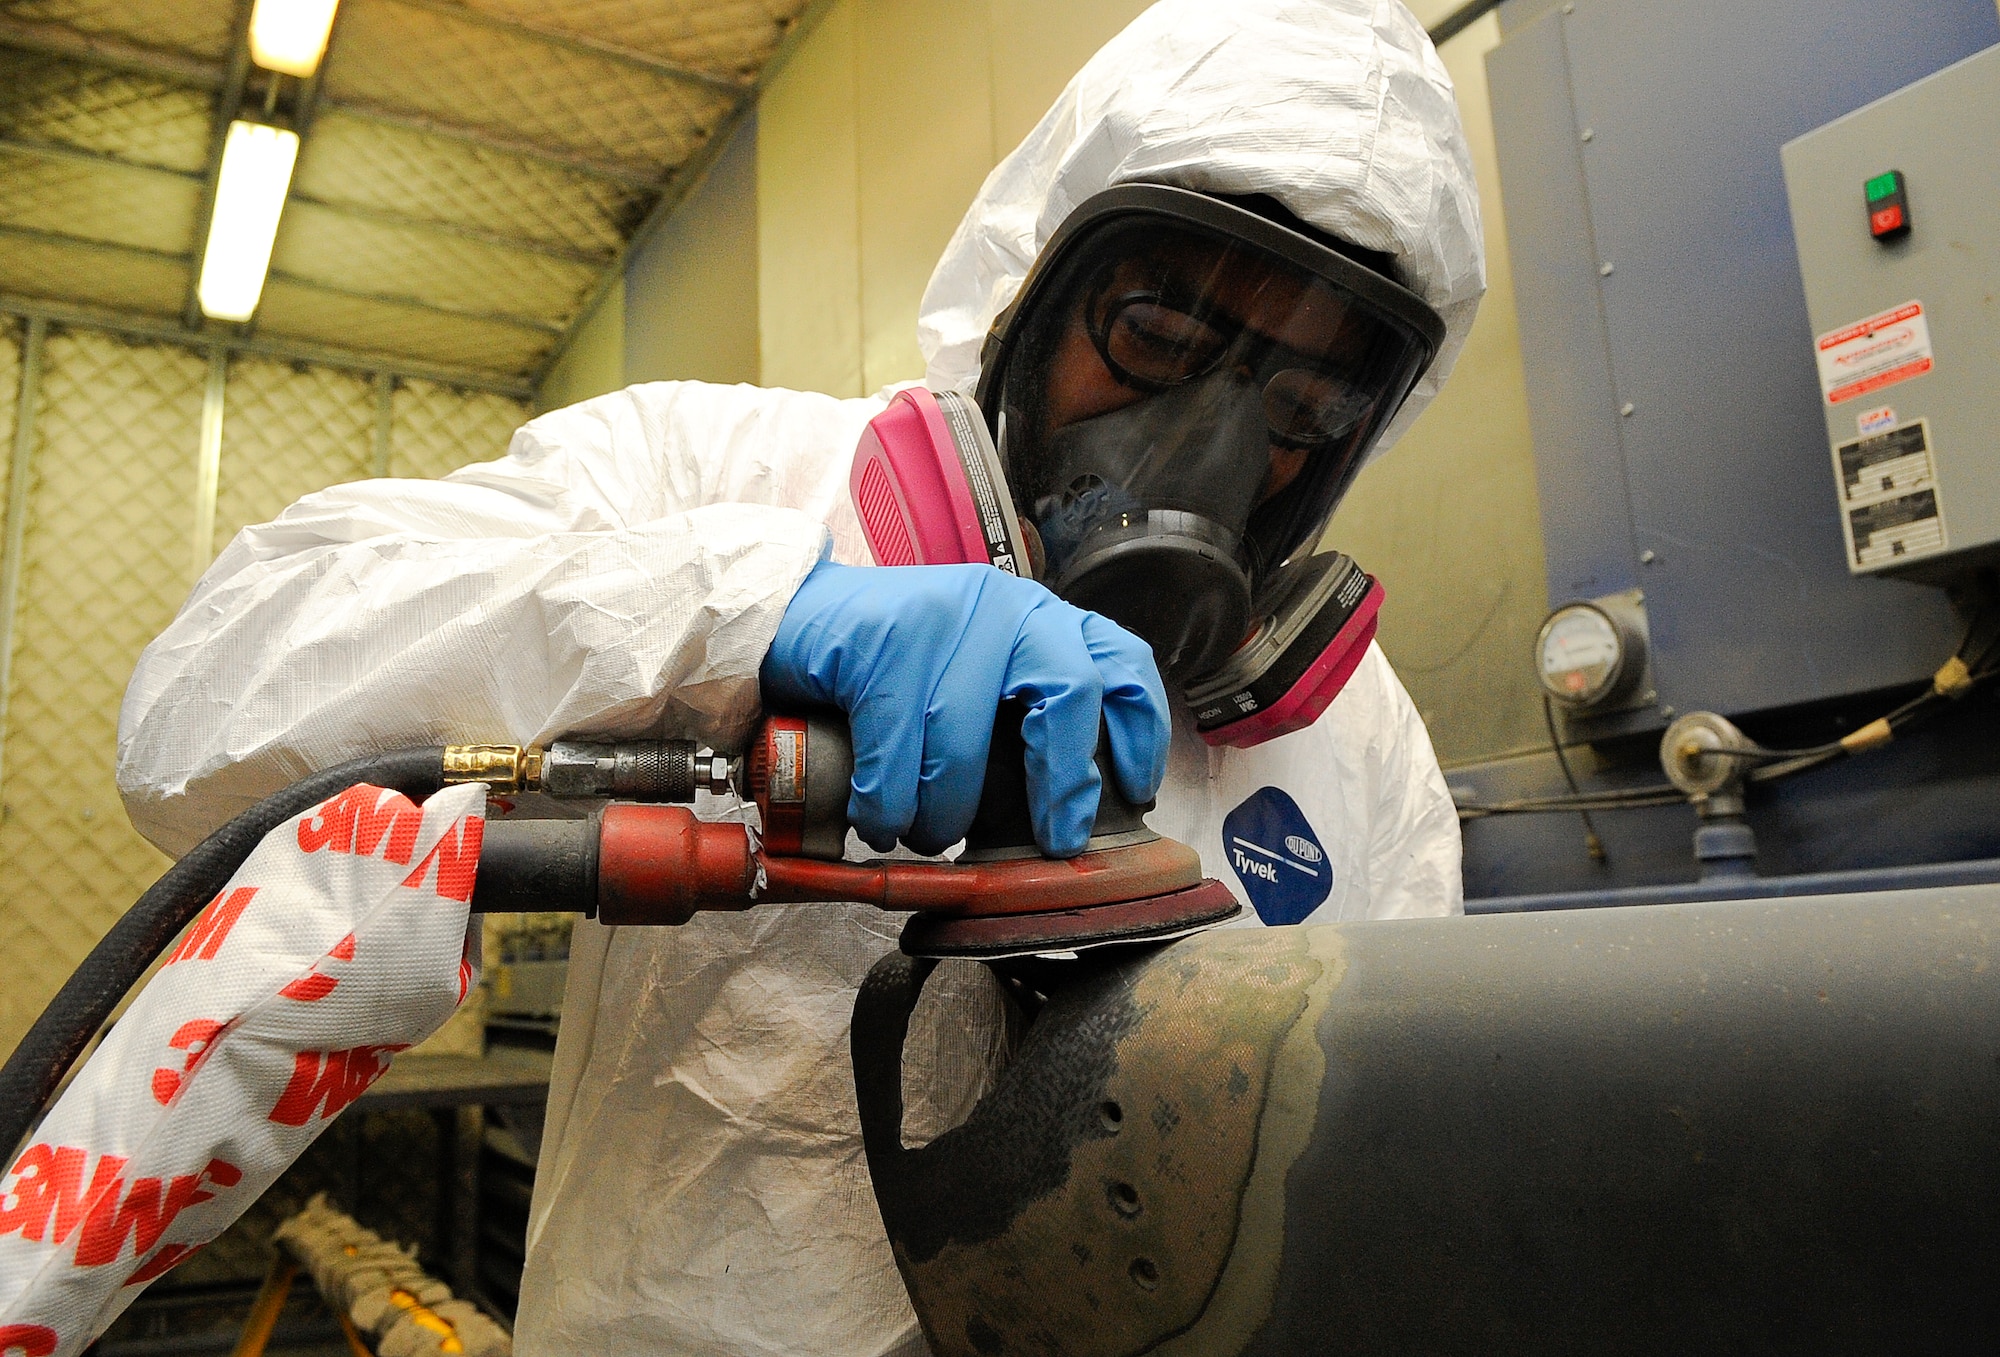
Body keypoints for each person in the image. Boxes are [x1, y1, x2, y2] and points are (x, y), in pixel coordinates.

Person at [116, 0, 1483, 1351]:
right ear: (1035, 286)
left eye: (1302, 412)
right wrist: (746, 611)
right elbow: (206, 711)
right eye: (1157, 343)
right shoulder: (726, 483)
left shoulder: (1357, 742)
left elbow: (1396, 1169)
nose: (1211, 451)